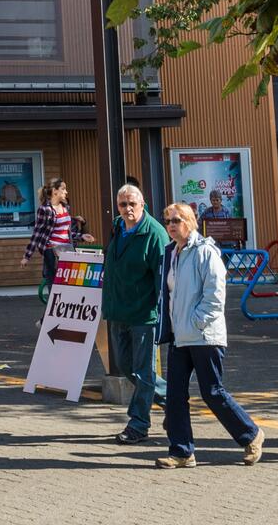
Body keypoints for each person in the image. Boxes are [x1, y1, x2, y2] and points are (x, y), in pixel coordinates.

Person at [153, 200, 263, 468]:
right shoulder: (172, 253)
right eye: (168, 221)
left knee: (212, 392)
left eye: (176, 220)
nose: (171, 226)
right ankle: (181, 452)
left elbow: (215, 296)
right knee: (175, 395)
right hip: (180, 337)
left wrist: (197, 323)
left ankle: (251, 434)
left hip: (204, 336)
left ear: (190, 221)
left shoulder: (205, 251)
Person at [104, 182, 166, 444]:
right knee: (128, 369)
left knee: (143, 372)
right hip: (119, 312)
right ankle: (175, 402)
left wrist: (162, 316)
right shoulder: (118, 227)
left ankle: (138, 425)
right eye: (123, 204)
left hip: (144, 315)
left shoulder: (154, 233)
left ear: (143, 204)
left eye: (132, 204)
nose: (128, 209)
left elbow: (162, 280)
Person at [23, 178, 80, 298]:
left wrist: (82, 236)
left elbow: (66, 232)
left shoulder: (65, 207)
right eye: (63, 189)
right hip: (52, 251)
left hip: (67, 249)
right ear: (55, 191)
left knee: (69, 286)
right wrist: (27, 256)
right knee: (55, 287)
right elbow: (37, 233)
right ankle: (50, 316)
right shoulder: (45, 209)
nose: (66, 192)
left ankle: (58, 316)